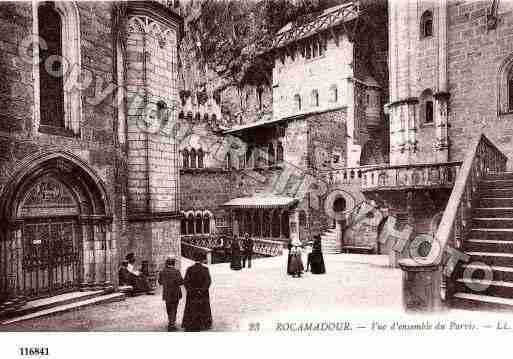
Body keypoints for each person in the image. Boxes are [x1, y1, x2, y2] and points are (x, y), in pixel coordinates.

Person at [182, 252, 212, 331]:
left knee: (191, 308)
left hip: (192, 293)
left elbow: (185, 282)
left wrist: (191, 290)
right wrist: (202, 291)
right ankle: (204, 323)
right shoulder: (205, 269)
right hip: (203, 293)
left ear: (194, 259)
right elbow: (208, 281)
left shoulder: (189, 269)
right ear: (202, 260)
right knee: (203, 308)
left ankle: (191, 323)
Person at [158, 256, 184, 331]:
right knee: (174, 308)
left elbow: (160, 282)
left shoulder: (162, 272)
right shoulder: (177, 271)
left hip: (167, 293)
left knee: (168, 308)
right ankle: (172, 323)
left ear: (167, 263)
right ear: (174, 263)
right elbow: (181, 282)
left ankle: (171, 322)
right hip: (176, 293)